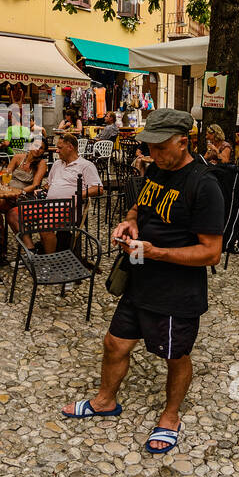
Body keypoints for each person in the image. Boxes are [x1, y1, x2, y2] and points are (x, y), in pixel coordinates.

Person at [62, 109, 224, 456]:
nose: (152, 154)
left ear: (183, 142)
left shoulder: (204, 184)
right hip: (139, 276)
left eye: (160, 147)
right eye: (149, 147)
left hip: (176, 290)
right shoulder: (156, 167)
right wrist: (129, 221)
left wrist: (157, 252)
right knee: (114, 343)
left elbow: (211, 253)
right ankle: (105, 400)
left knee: (174, 355)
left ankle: (170, 416)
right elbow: (141, 206)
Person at [36, 130, 104, 252]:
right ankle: (40, 250)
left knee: (44, 227)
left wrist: (79, 195)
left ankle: (51, 260)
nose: (57, 151)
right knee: (21, 217)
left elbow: (98, 188)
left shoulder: (85, 165)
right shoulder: (57, 164)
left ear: (70, 147)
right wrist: (42, 190)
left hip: (70, 209)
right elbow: (50, 184)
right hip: (49, 206)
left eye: (60, 148)